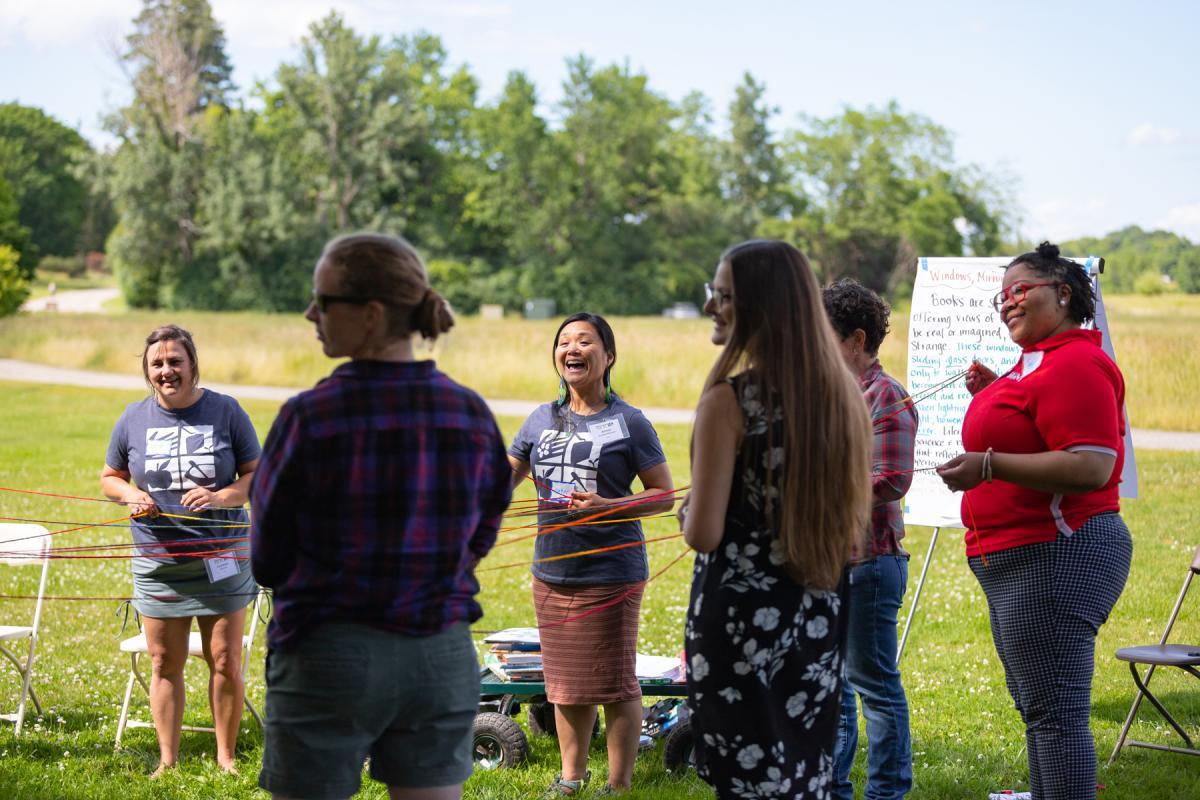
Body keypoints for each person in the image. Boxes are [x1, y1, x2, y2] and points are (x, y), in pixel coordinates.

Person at [250, 233, 512, 800]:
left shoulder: (309, 417)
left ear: (370, 315)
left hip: (329, 654)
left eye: (323, 299)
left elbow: (267, 558)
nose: (310, 312)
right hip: (440, 654)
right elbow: (486, 524)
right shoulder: (470, 413)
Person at [936, 242, 1131, 800]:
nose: (1007, 302)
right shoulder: (1038, 361)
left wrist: (989, 464)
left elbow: (1092, 465)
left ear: (1063, 293)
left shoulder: (1077, 362)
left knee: (1055, 716)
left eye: (1020, 290)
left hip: (1057, 550)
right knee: (1039, 711)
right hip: (1017, 557)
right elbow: (1038, 422)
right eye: (1002, 295)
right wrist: (997, 389)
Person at [681, 240, 874, 799]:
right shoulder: (843, 399)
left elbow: (704, 533)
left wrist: (691, 507)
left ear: (759, 305)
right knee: (802, 774)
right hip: (817, 614)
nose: (712, 306)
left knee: (744, 782)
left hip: (739, 623)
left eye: (723, 295)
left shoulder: (730, 401)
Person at [508, 312, 675, 796]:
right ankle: (571, 778)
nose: (572, 349)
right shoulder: (541, 418)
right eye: (564, 342)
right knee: (565, 683)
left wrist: (610, 506)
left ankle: (619, 785)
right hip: (552, 571)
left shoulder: (629, 421)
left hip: (610, 571)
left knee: (614, 681)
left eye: (585, 341)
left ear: (609, 356)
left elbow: (662, 494)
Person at [100, 324, 260, 777]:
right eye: (157, 363)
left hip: (221, 558)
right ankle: (167, 761)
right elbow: (110, 476)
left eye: (175, 361)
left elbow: (257, 475)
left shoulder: (226, 411)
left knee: (225, 660)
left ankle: (226, 758)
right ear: (147, 370)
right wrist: (130, 496)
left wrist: (221, 497)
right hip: (160, 562)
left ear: (192, 365)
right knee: (163, 661)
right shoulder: (133, 418)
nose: (166, 370)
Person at [823, 279, 916, 800]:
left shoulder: (887, 396)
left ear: (857, 339)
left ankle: (886, 792)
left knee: (875, 688)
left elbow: (890, 479)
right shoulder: (830, 397)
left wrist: (816, 494)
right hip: (826, 564)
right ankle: (833, 787)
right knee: (832, 689)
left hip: (869, 563)